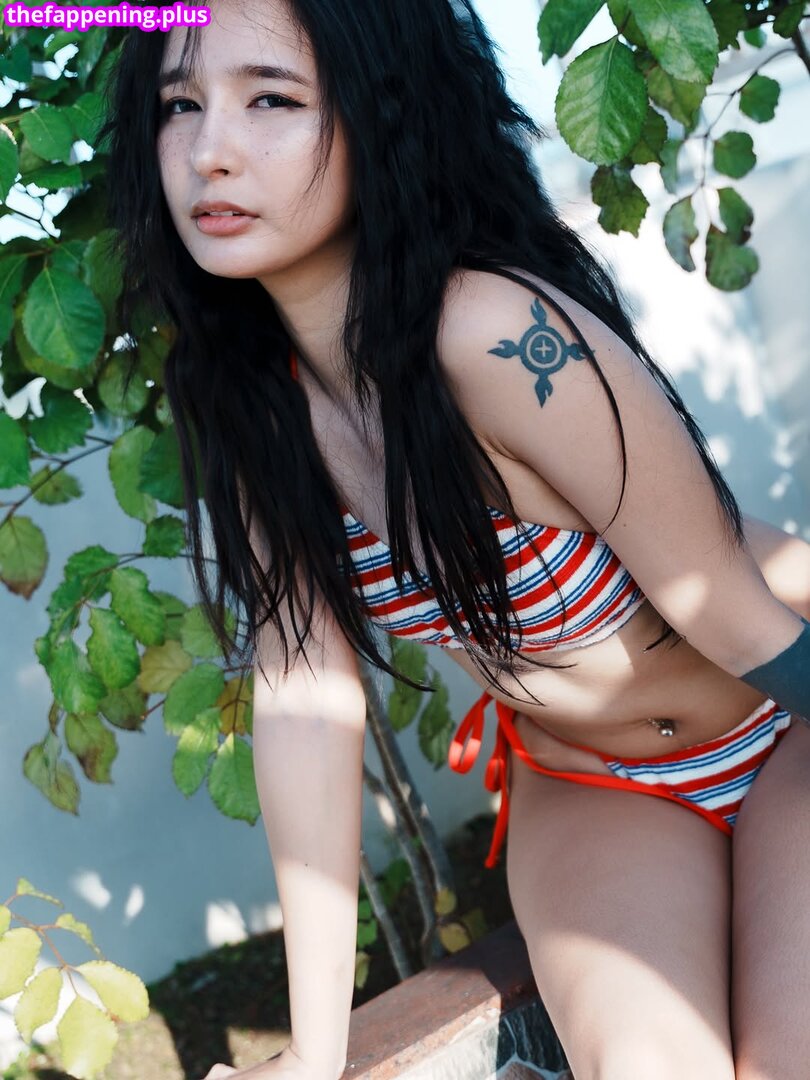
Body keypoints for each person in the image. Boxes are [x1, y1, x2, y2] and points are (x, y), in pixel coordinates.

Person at [98, 0, 810, 1076]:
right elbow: (306, 704)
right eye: (178, 105)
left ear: (382, 108)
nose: (209, 151)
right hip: (599, 783)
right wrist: (318, 1056)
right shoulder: (258, 412)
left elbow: (735, 613)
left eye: (272, 100)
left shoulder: (490, 333)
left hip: (781, 720)